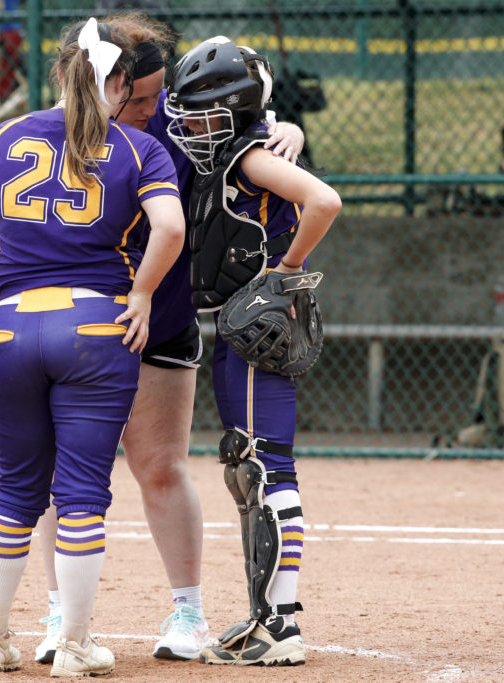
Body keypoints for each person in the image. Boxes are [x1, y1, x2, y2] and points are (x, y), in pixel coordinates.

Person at [32, 12, 306, 666]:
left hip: (163, 311)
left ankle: (187, 608)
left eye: (163, 94)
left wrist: (284, 127)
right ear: (104, 81)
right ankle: (59, 612)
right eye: (144, 94)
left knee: (160, 465)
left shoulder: (172, 120)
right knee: (59, 472)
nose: (158, 108)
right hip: (77, 316)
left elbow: (243, 129)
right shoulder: (49, 131)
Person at [0, 17, 185, 676]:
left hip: (13, 326)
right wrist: (141, 293)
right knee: (82, 493)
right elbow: (168, 227)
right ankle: (74, 645)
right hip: (94, 330)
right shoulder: (138, 148)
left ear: (60, 72)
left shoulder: (1, 139)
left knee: (15, 491)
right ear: (119, 83)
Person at [163, 35, 340, 666]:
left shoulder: (245, 155)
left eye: (203, 113)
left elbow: (323, 201)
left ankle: (280, 628)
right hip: (243, 330)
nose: (190, 125)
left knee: (264, 471)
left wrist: (283, 273)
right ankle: (271, 618)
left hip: (251, 328)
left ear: (236, 111)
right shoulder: (239, 148)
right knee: (256, 470)